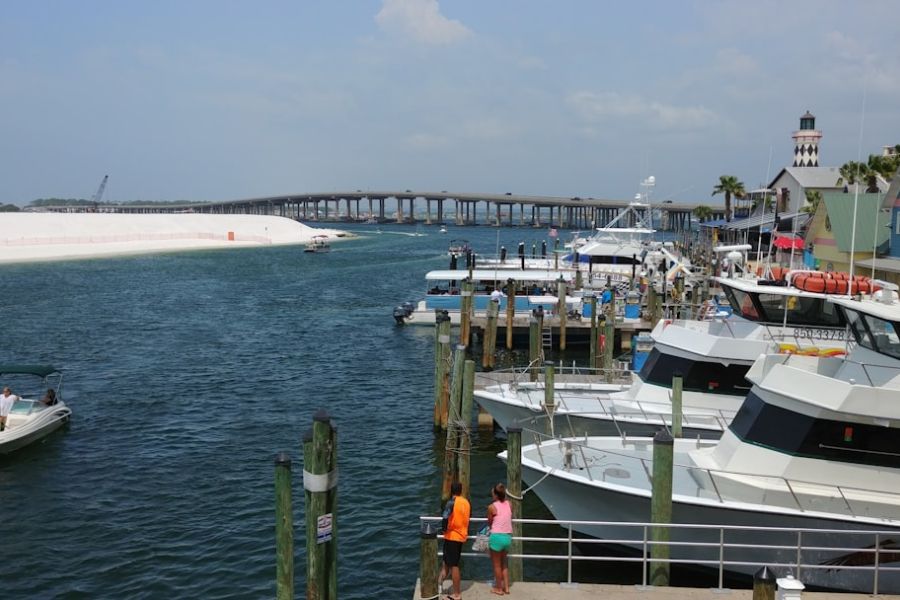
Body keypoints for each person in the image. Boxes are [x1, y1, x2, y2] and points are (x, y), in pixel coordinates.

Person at [439, 481, 470, 600]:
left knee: (454, 565)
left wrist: (443, 529)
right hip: (461, 535)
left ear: (451, 491)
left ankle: (457, 594)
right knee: (446, 562)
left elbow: (445, 517)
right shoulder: (466, 502)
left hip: (452, 536)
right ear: (461, 490)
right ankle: (439, 584)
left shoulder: (451, 502)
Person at [487, 483, 512, 595]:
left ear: (496, 495)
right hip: (507, 537)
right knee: (504, 564)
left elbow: (490, 522)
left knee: (497, 565)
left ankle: (499, 588)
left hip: (496, 536)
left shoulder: (492, 507)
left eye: (493, 493)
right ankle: (506, 587)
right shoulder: (509, 504)